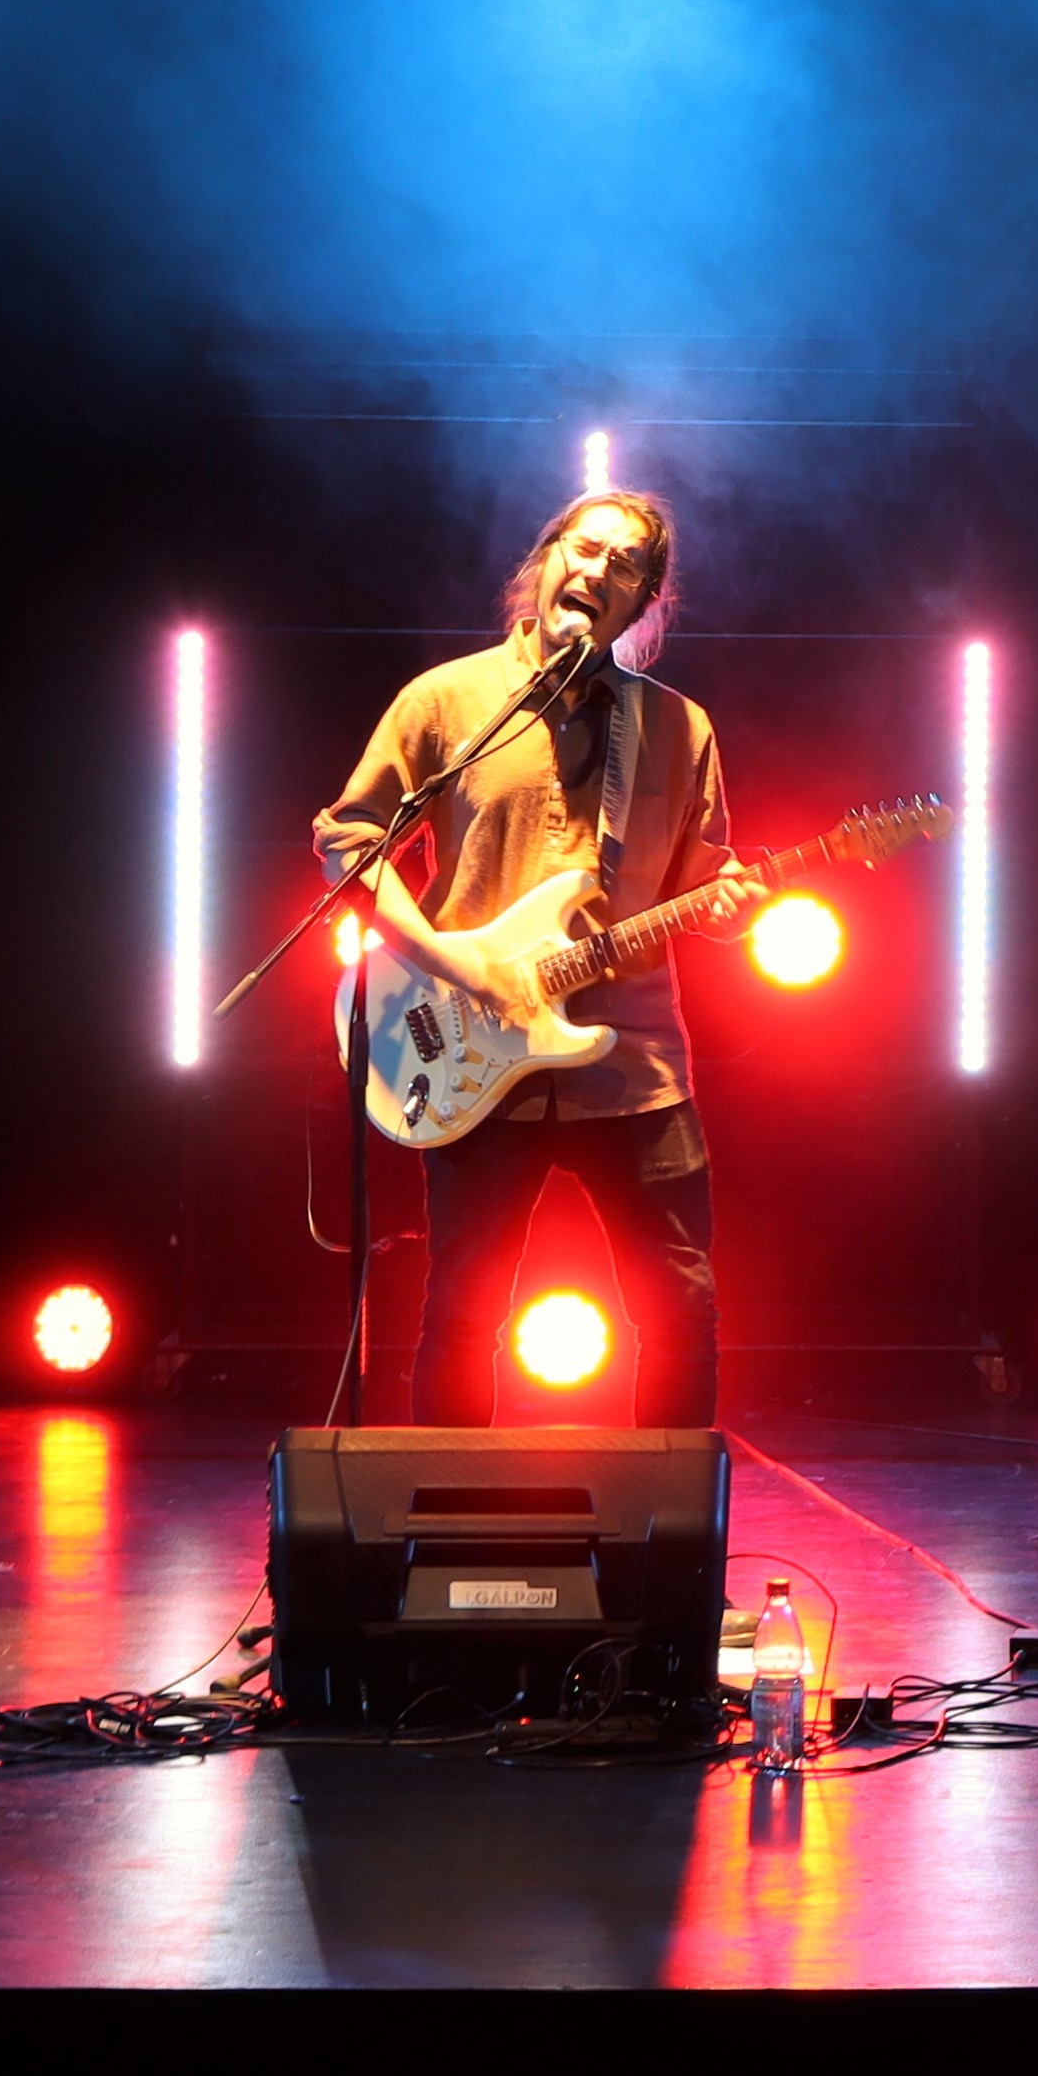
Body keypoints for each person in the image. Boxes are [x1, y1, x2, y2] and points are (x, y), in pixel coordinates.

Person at [314, 488, 758, 1429]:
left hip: (635, 1066)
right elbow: (349, 840)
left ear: (643, 606)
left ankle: (666, 1528)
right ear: (546, 558)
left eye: (625, 566)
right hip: (472, 1056)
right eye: (584, 548)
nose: (598, 570)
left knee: (680, 1310)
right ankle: (448, 1516)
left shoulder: (681, 729)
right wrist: (450, 961)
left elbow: (701, 887)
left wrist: (729, 906)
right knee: (463, 1312)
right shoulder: (448, 700)